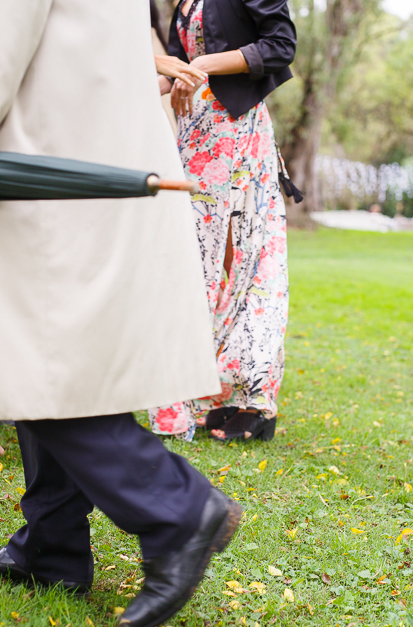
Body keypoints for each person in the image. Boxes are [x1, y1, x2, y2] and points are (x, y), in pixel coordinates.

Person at [0, 0, 241, 627]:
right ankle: (53, 546)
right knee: (54, 341)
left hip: (41, 129)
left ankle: (177, 508)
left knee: (26, 348)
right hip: (67, 117)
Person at [149, 0, 296, 443]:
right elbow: (176, 69)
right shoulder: (180, 2)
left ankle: (253, 397)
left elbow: (280, 45)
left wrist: (203, 65)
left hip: (237, 131)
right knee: (196, 260)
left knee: (248, 260)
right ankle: (214, 392)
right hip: (196, 131)